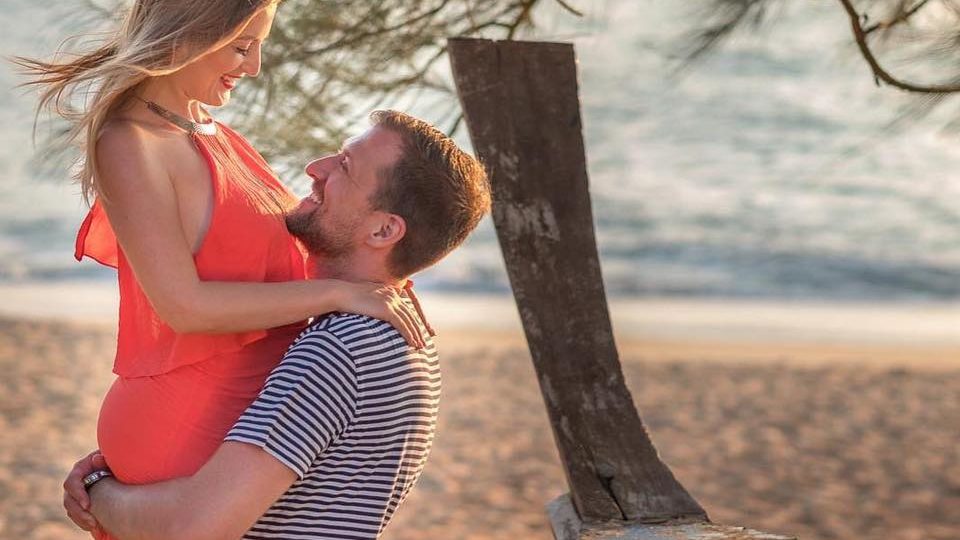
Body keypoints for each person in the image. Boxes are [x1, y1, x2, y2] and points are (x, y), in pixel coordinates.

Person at [14, 1, 430, 534]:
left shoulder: (209, 129)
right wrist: (339, 296)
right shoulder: (129, 143)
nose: (254, 66)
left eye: (260, 45)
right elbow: (183, 307)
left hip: (237, 421)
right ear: (186, 33)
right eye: (240, 46)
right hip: (190, 423)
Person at [62, 109, 492, 539]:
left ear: (383, 230)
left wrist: (97, 492)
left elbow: (191, 528)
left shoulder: (342, 349)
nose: (315, 168)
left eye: (344, 166)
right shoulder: (401, 332)